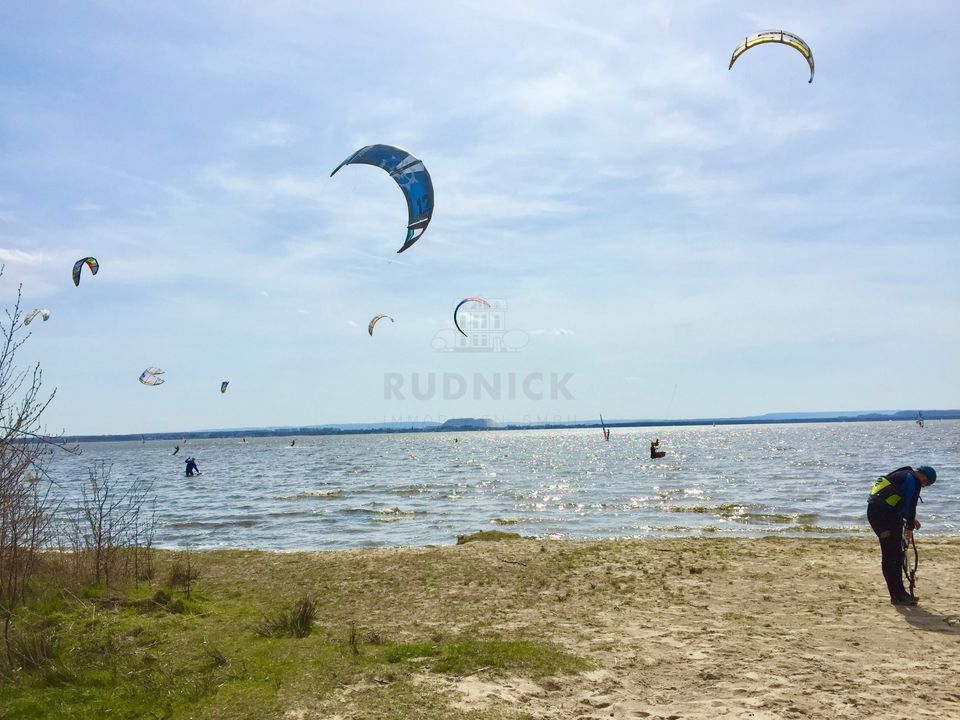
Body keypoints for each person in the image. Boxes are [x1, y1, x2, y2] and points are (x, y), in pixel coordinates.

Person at [867, 465, 936, 605]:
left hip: (877, 514)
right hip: (885, 518)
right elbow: (911, 505)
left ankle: (898, 594)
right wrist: (909, 528)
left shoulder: (904, 474)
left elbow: (896, 500)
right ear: (923, 476)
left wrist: (911, 520)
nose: (924, 486)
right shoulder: (914, 481)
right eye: (926, 483)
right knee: (892, 555)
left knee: (894, 554)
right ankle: (897, 595)